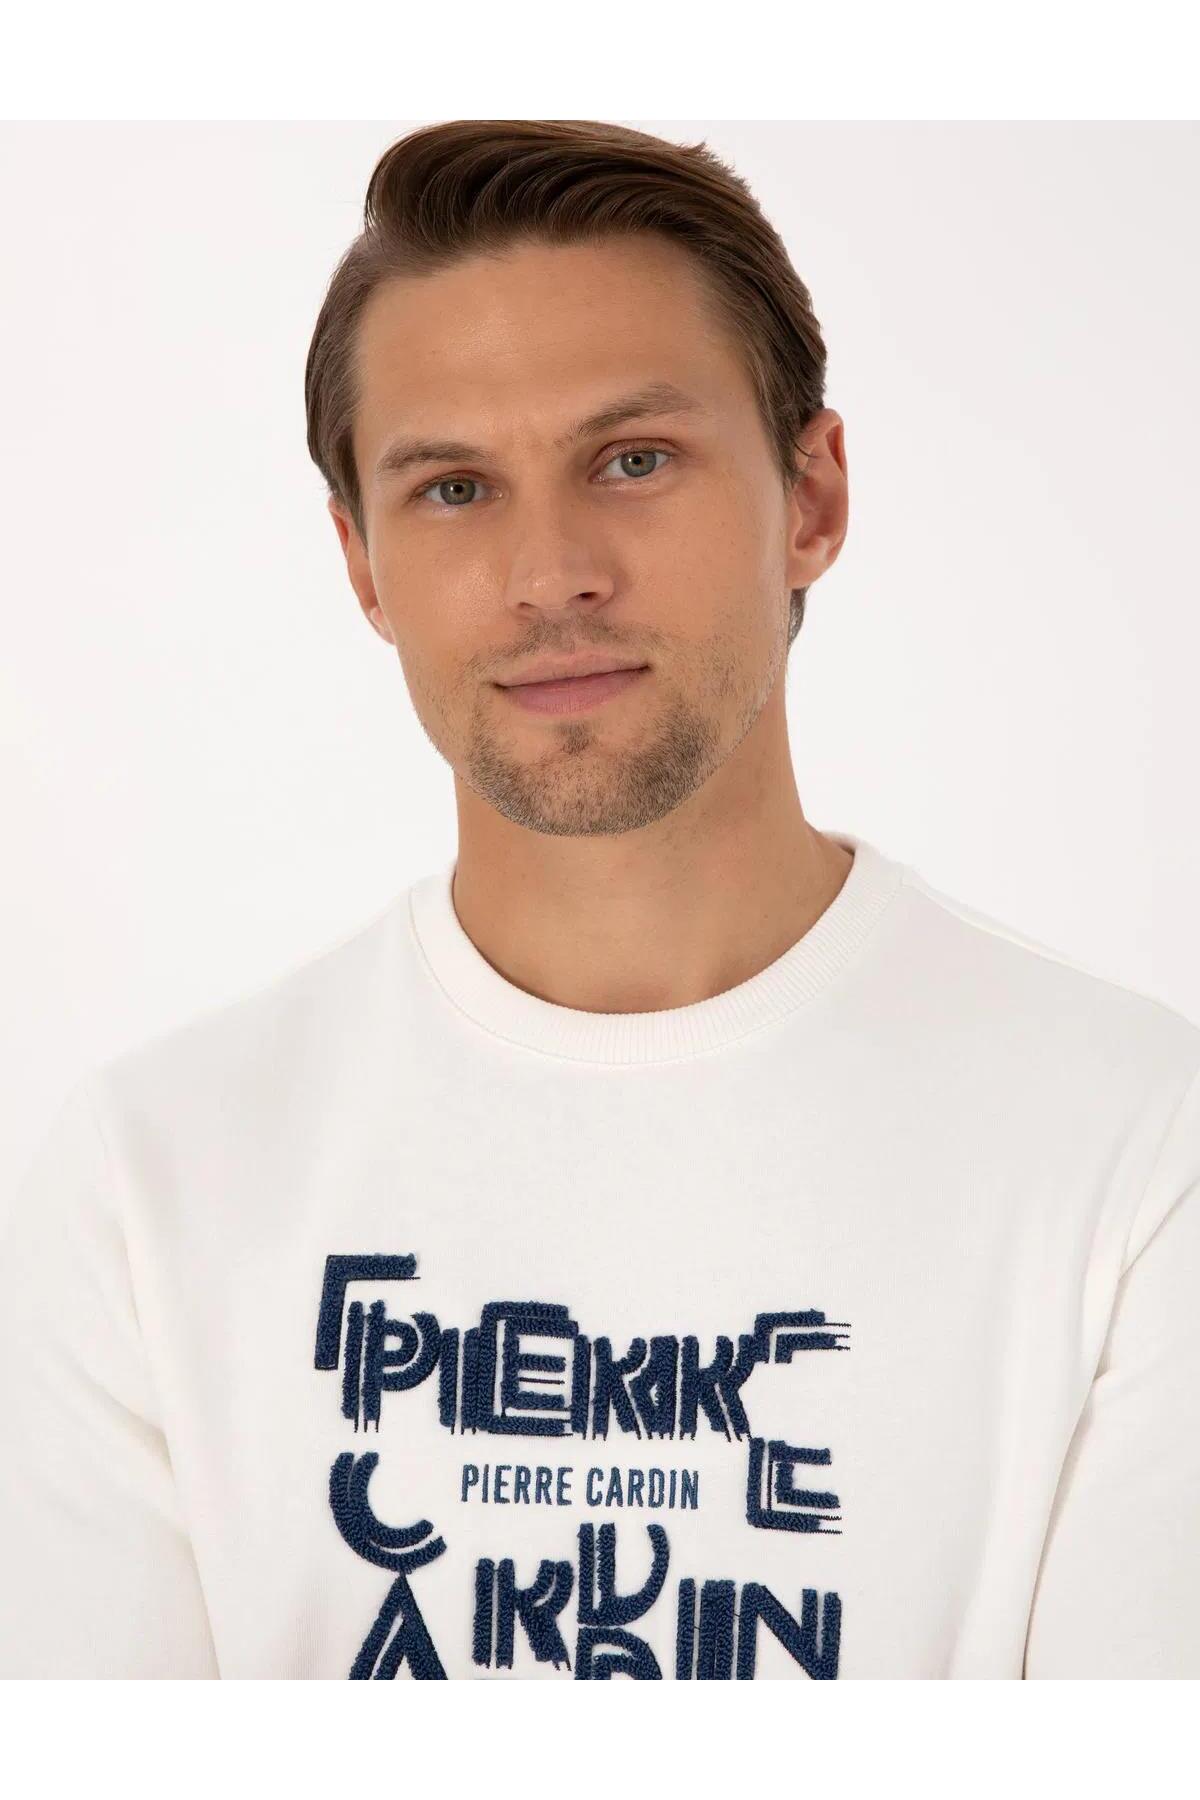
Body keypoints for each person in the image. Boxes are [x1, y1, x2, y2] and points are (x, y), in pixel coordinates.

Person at [2, 118, 1197, 1682]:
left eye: (632, 461)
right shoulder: (149, 1184)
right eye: (453, 488)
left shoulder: (1136, 1150)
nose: (551, 571)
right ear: (361, 564)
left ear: (812, 500)